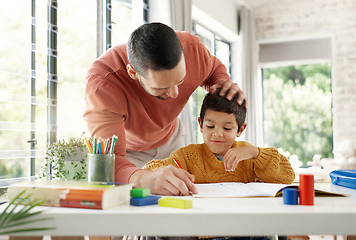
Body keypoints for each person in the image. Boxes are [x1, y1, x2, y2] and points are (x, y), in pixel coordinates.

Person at [84, 22, 247, 195]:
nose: (175, 93)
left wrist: (221, 83)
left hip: (172, 138)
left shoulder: (192, 50)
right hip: (130, 153)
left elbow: (213, 70)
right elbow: (108, 160)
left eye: (180, 80)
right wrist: (143, 179)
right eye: (161, 88)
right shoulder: (103, 84)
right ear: (133, 73)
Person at [144, 88, 295, 185]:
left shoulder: (249, 156)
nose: (217, 133)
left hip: (245, 228)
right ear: (201, 125)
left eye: (227, 128)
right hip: (207, 229)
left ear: (240, 129)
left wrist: (255, 152)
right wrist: (172, 172)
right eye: (210, 126)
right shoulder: (188, 156)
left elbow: (287, 176)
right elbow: (150, 169)